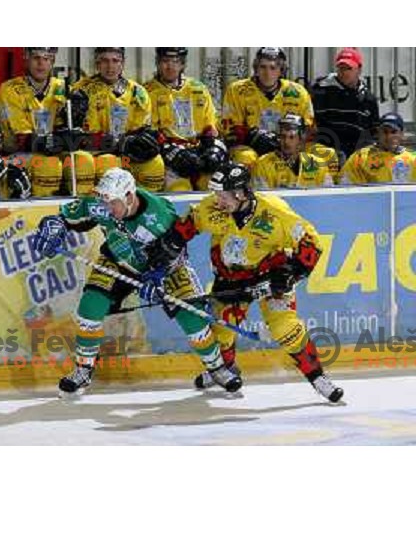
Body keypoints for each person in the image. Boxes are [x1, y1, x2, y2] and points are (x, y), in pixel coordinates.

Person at [34, 167, 242, 396]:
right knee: (89, 308)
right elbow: (68, 217)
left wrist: (157, 275)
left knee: (193, 318)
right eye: (104, 203)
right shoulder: (101, 203)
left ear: (130, 197)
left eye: (113, 203)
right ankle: (83, 370)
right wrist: (54, 226)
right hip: (119, 258)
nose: (106, 209)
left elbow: (175, 250)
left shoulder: (159, 214)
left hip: (168, 267)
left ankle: (217, 368)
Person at [147, 161, 344, 403]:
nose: (217, 200)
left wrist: (291, 273)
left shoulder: (274, 211)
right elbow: (187, 226)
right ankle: (225, 370)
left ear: (240, 193)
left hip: (269, 277)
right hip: (231, 282)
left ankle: (318, 377)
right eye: (216, 194)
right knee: (221, 331)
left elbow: (312, 244)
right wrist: (171, 243)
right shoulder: (213, 207)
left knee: (285, 329)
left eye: (223, 195)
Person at [70, 48, 164, 192]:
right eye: (105, 61)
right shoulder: (81, 90)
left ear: (123, 63)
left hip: (128, 154)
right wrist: (116, 144)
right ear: (97, 63)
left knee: (155, 162)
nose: (110, 66)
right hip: (97, 154)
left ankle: (144, 205)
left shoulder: (137, 91)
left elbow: (143, 130)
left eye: (115, 61)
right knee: (108, 161)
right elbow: (80, 136)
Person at [0, 47, 77, 196]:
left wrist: (73, 125)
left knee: (83, 162)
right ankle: (45, 210)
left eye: (46, 59)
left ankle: (79, 210)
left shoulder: (63, 88)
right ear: (26, 57)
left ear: (52, 61)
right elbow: (21, 139)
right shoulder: (9, 89)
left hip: (52, 152)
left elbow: (66, 128)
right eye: (36, 58)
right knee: (48, 166)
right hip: (18, 154)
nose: (41, 64)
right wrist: (54, 140)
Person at [144, 47, 228, 191]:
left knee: (216, 188)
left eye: (175, 61)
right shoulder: (146, 92)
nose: (170, 66)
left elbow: (211, 128)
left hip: (199, 153)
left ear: (183, 64)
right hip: (170, 157)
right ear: (157, 63)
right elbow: (148, 134)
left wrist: (212, 150)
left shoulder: (199, 88)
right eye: (165, 61)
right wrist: (169, 151)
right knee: (179, 191)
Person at [221, 48, 314, 170]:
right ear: (256, 68)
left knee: (325, 155)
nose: (267, 73)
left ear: (281, 70)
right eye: (263, 67)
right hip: (250, 147)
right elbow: (230, 131)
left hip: (289, 146)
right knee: (246, 158)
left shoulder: (298, 92)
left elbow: (309, 129)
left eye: (273, 68)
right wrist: (253, 136)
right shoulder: (237, 90)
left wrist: (287, 143)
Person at [311, 47, 379, 163]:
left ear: (359, 69)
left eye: (348, 68)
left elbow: (374, 133)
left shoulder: (368, 99)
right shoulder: (319, 89)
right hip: (321, 156)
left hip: (354, 160)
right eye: (341, 68)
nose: (344, 72)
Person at [252, 113, 338, 188]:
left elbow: (328, 196)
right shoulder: (263, 164)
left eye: (292, 137)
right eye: (283, 137)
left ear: (301, 139)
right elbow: (262, 199)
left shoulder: (318, 164)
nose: (286, 142)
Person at [339, 112, 416, 184]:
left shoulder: (413, 159)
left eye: (393, 132)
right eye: (385, 132)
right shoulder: (360, 157)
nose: (389, 137)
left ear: (402, 134)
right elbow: (346, 187)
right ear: (378, 133)